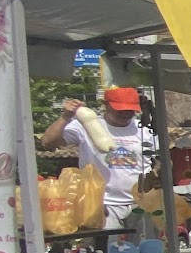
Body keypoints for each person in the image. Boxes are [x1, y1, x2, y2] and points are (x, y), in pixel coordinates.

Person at [40, 88, 153, 229]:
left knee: (146, 247)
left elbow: (160, 161)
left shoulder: (144, 129)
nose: (125, 114)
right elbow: (48, 142)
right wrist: (66, 117)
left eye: (130, 110)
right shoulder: (84, 125)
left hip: (140, 202)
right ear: (105, 105)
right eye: (120, 109)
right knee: (106, 248)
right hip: (101, 203)